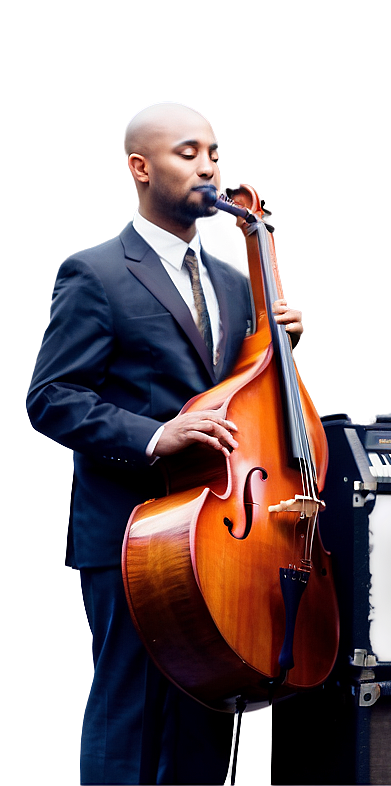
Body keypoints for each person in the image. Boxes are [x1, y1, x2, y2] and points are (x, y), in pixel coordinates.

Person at [26, 102, 304, 784]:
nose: (209, 166)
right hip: (129, 534)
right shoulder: (93, 274)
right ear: (140, 169)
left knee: (200, 716)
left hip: (217, 536)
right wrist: (156, 436)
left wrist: (272, 351)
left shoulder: (237, 282)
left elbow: (227, 396)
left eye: (214, 151)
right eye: (188, 152)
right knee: (127, 714)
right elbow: (50, 399)